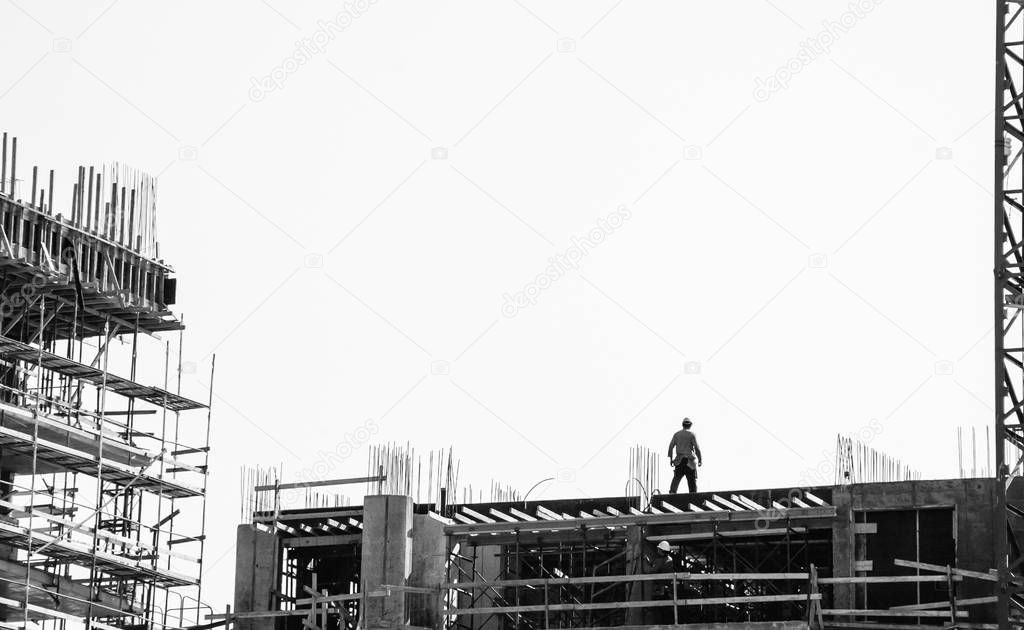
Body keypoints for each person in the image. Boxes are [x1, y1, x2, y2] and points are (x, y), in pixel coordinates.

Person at [667, 417, 702, 493]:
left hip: (679, 461)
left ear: (682, 425)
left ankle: (672, 494)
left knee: (676, 479)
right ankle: (693, 497)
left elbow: (670, 447)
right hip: (689, 462)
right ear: (690, 425)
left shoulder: (677, 434)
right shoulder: (691, 434)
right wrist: (700, 459)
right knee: (692, 483)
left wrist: (671, 459)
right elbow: (696, 448)